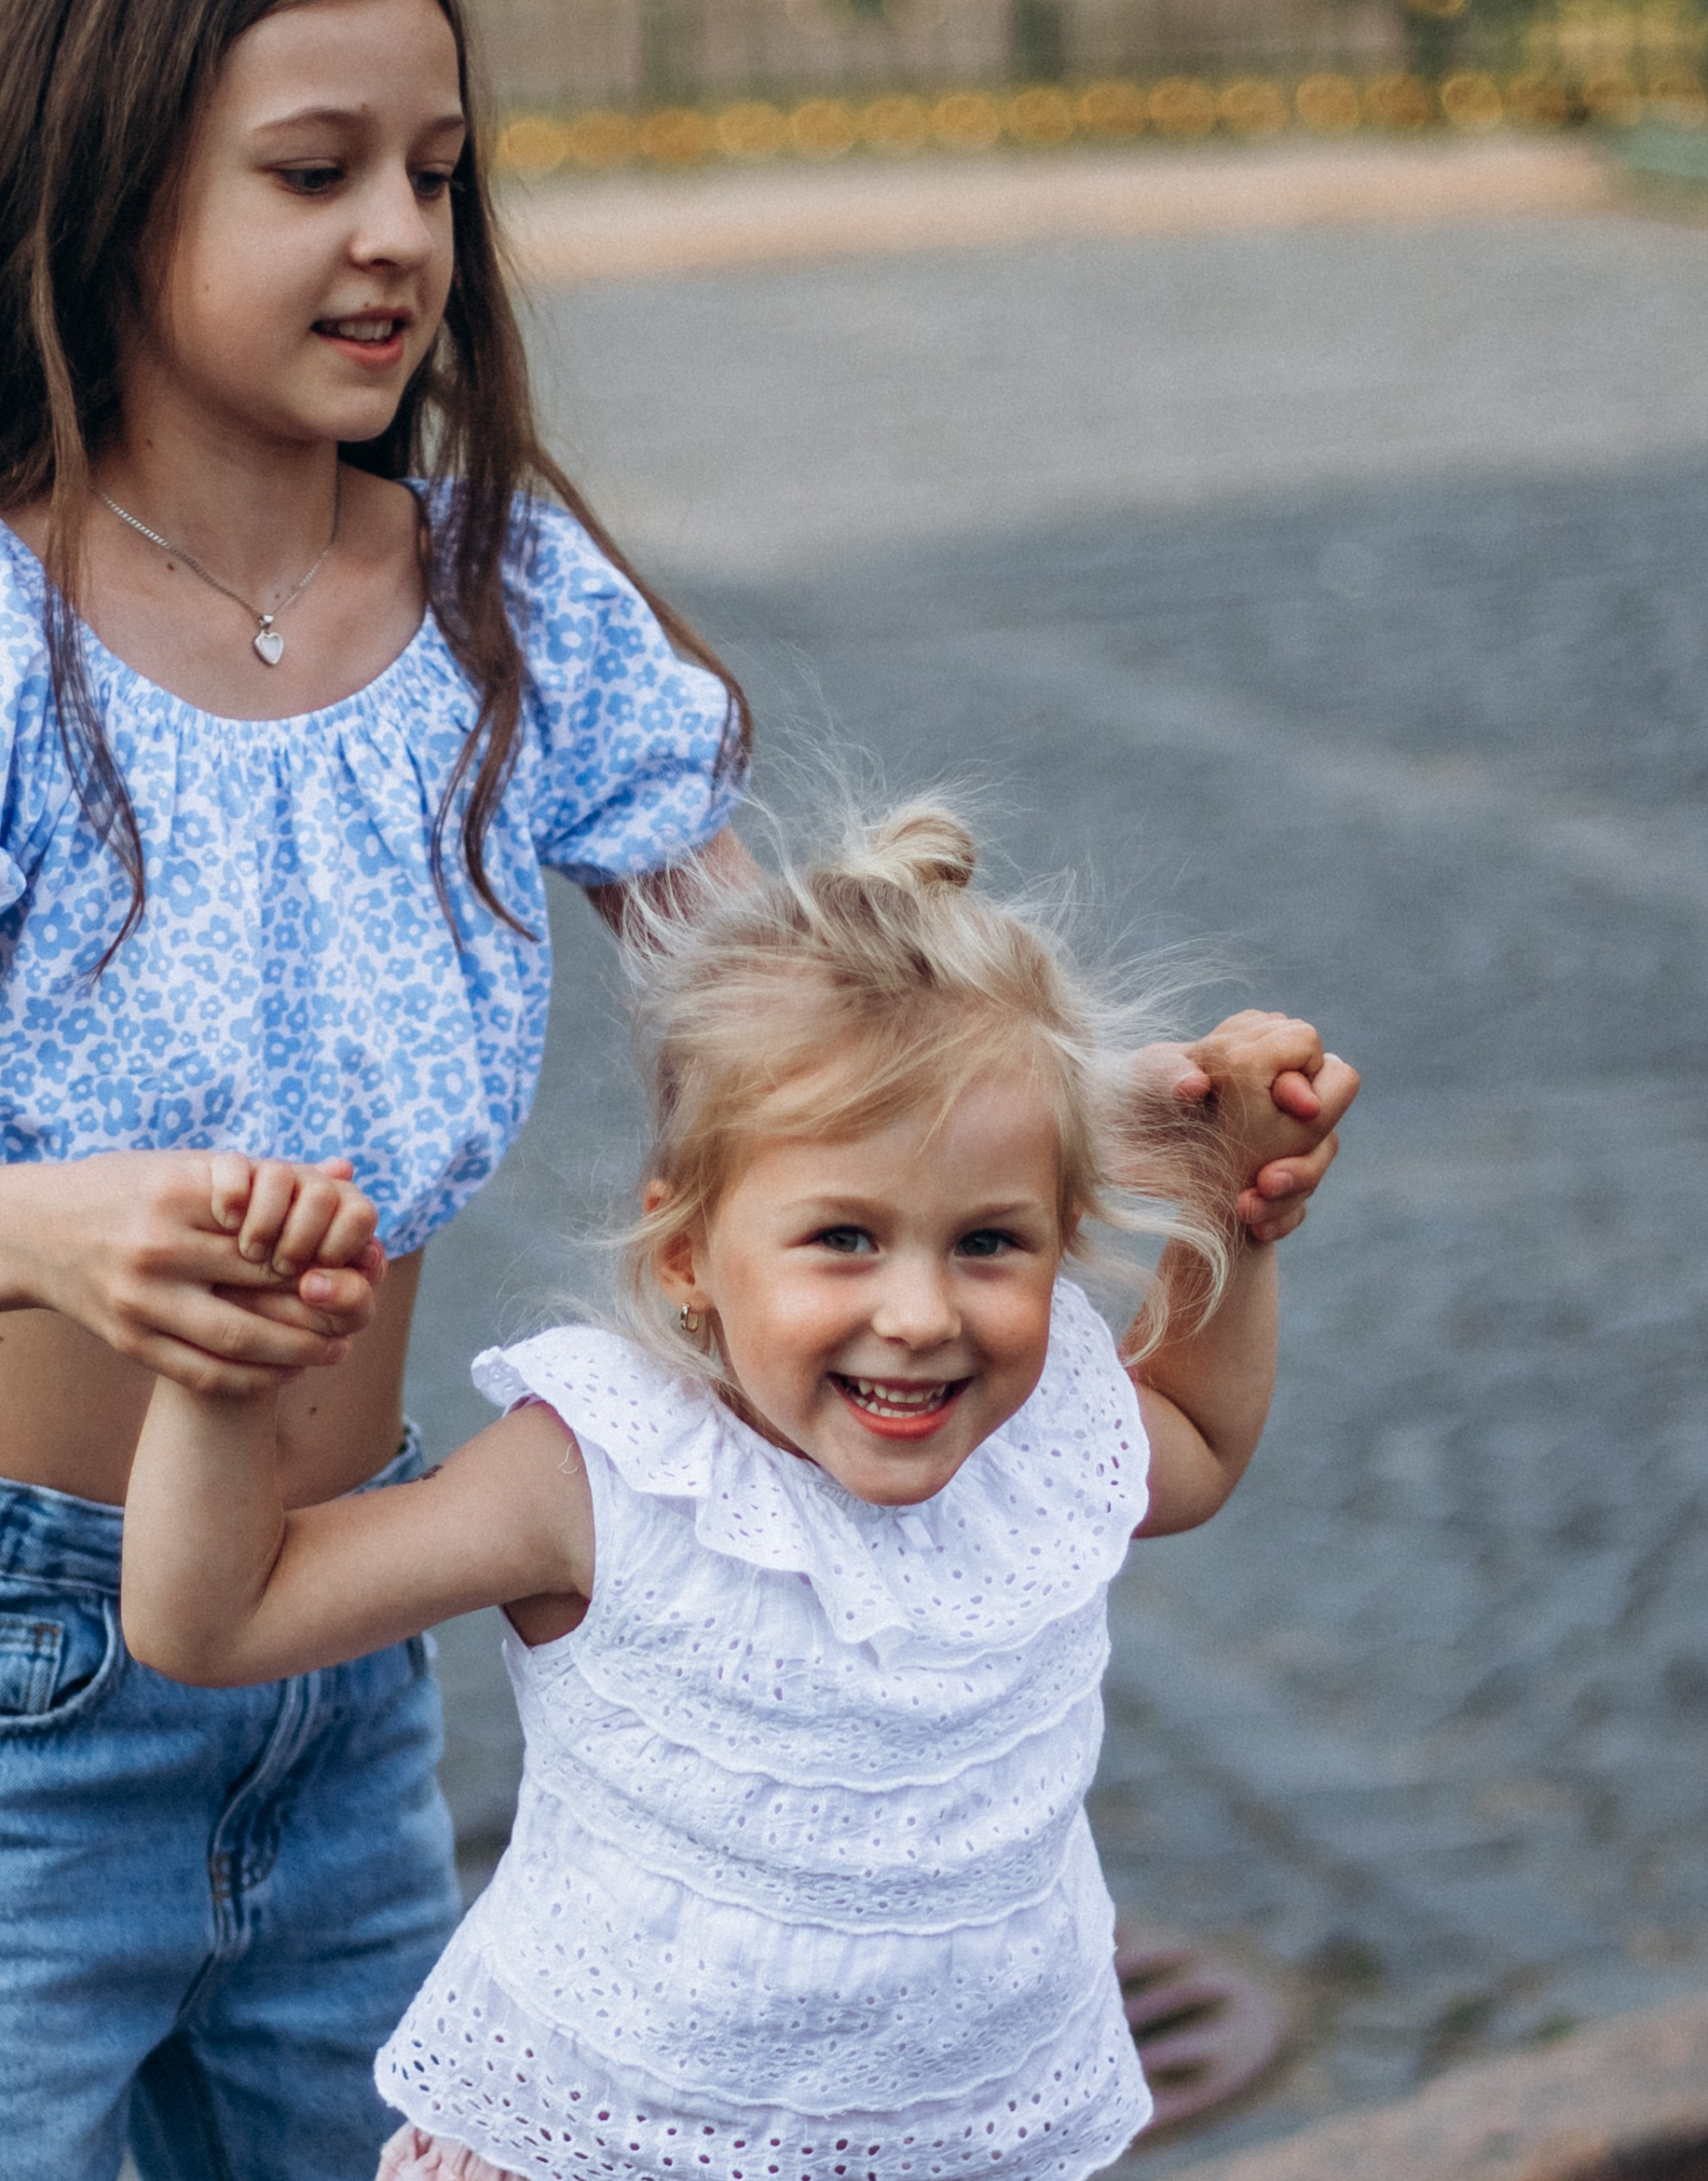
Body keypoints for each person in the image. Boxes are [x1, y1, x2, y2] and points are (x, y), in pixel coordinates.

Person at [0, 0, 1346, 2181]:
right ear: (111, 194)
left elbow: (808, 1046)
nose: (395, 239)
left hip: (347, 1646)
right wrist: (65, 1229)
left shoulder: (500, 599)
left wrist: (1105, 1121)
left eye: (433, 174)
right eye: (309, 171)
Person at [118, 801, 1359, 2181]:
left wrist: (1229, 1214)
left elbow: (1190, 1440)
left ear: (1064, 1236)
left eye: (988, 1243)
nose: (919, 1314)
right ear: (688, 1254)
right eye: (844, 1237)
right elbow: (219, 1621)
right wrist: (221, 1377)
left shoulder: (1038, 1432)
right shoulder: (599, 1472)